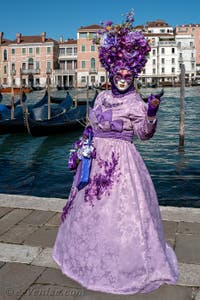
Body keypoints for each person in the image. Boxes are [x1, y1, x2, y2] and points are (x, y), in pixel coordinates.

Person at [52, 10, 179, 295]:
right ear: (110, 72)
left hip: (121, 165)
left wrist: (152, 112)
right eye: (118, 74)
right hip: (94, 161)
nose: (123, 79)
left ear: (133, 74)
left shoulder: (135, 102)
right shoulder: (101, 96)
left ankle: (127, 266)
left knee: (121, 215)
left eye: (128, 75)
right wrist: (84, 145)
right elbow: (92, 124)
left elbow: (144, 135)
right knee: (90, 210)